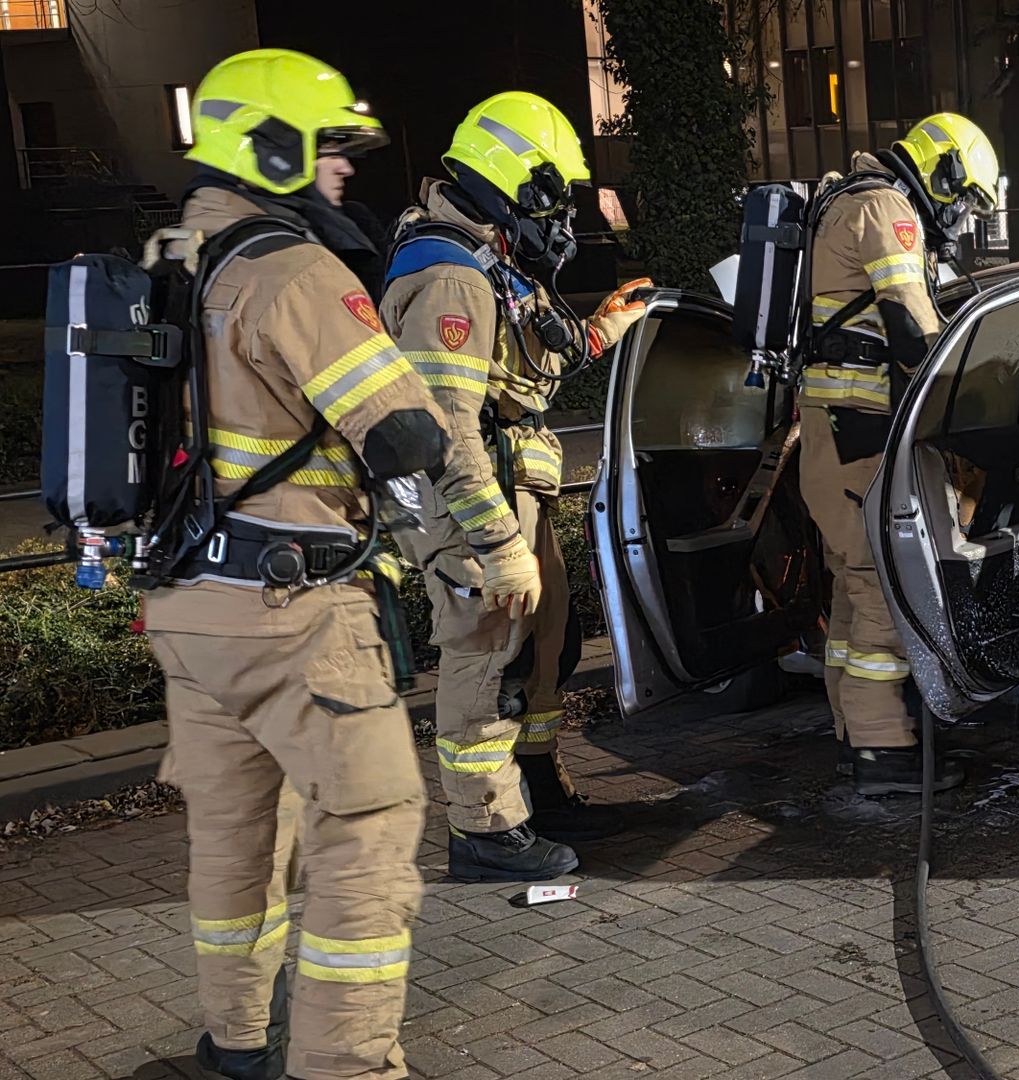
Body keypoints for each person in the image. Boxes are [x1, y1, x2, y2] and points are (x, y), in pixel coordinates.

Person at [143, 49, 449, 1080]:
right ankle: (348, 1067)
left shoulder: (166, 254)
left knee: (233, 838)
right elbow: (406, 434)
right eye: (326, 151)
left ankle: (234, 1042)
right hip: (294, 611)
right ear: (271, 148)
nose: (344, 172)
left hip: (188, 603)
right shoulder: (291, 268)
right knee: (367, 836)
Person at [380, 91, 649, 881]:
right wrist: (497, 542)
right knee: (485, 650)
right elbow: (451, 427)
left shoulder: (486, 261)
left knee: (546, 644)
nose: (560, 215)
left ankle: (533, 785)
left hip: (506, 491)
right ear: (511, 180)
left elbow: (524, 374)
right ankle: (485, 831)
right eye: (552, 195)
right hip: (472, 501)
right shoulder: (452, 278)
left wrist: (598, 330)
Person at [798, 112, 1000, 796]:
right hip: (859, 438)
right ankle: (883, 752)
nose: (963, 219)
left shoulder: (850, 200)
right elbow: (916, 332)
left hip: (834, 438)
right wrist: (978, 389)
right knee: (881, 592)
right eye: (966, 200)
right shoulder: (887, 208)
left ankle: (854, 736)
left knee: (853, 596)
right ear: (942, 174)